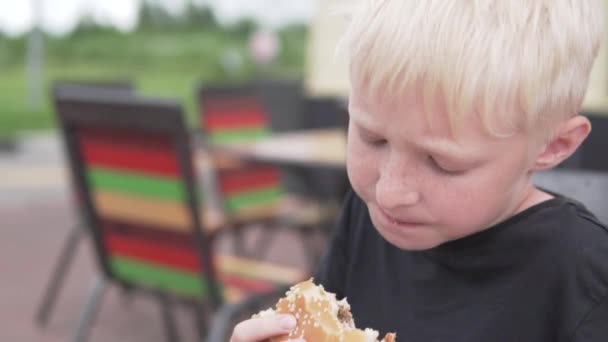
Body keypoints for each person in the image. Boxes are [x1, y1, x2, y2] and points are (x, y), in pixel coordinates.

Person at [230, 1, 608, 341]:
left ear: (552, 146)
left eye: (444, 163)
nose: (390, 192)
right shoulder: (368, 217)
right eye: (372, 138)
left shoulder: (585, 276)